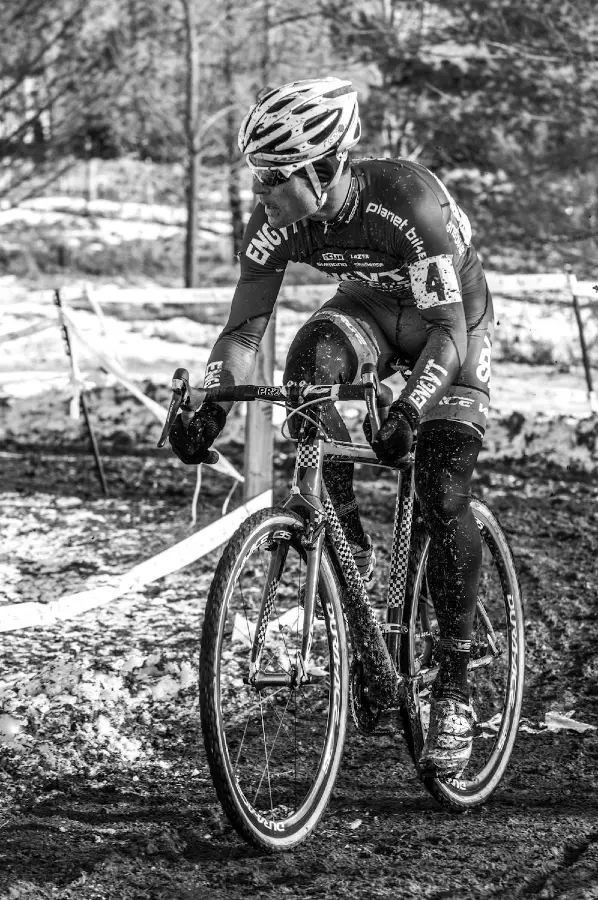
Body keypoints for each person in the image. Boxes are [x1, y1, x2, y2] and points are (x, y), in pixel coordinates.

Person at [169, 77, 494, 779]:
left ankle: (456, 687)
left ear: (323, 167)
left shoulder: (406, 200)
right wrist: (211, 402)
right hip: (371, 313)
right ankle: (344, 539)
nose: (261, 191)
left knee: (441, 490)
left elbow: (446, 331)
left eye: (275, 177)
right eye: (256, 173)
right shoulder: (278, 221)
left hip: (452, 329)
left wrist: (409, 405)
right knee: (307, 361)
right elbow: (244, 329)